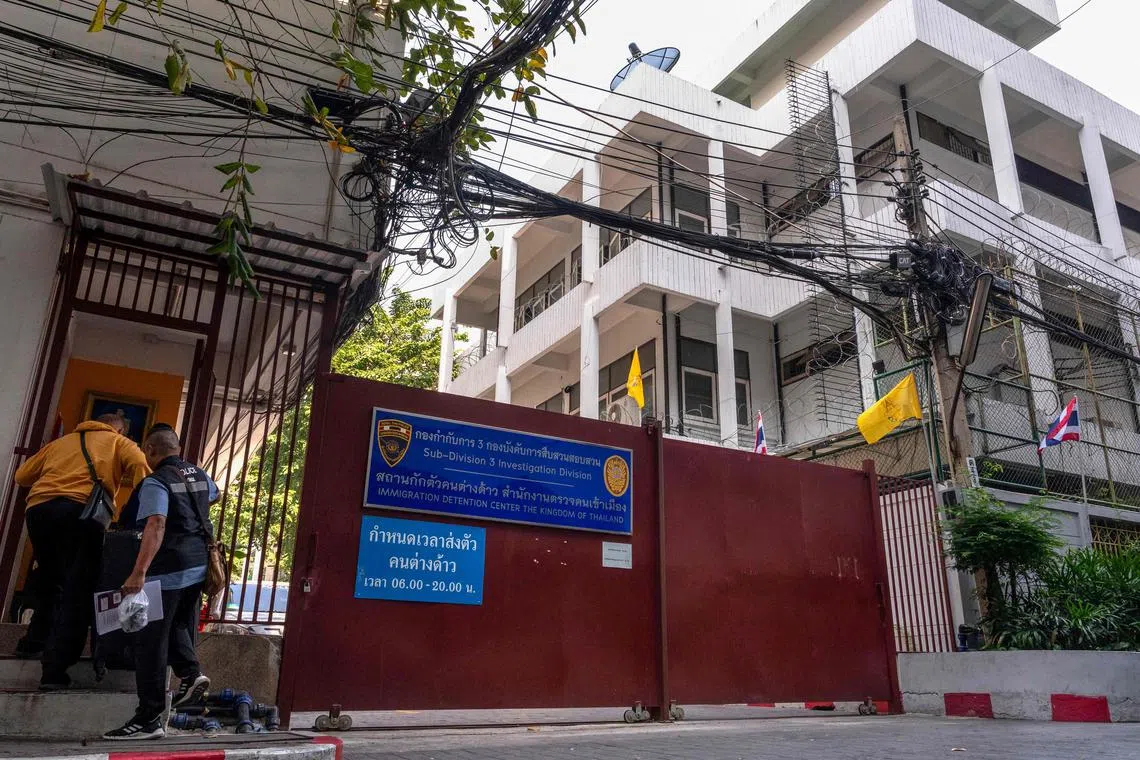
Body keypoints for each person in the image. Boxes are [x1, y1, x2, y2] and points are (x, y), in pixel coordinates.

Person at [13, 413, 148, 688]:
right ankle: (55, 669)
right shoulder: (119, 443)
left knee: (50, 577)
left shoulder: (61, 442)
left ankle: (32, 642)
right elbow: (143, 472)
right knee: (78, 589)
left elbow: (22, 476)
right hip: (82, 513)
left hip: (39, 510)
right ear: (120, 429)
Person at [103, 424, 217, 741]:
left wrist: (138, 572)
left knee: (151, 642)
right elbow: (214, 495)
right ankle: (191, 674)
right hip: (198, 567)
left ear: (151, 450)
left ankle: (148, 718)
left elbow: (156, 523)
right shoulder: (200, 474)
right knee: (178, 624)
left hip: (168, 569)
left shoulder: (156, 481)